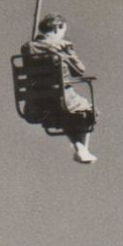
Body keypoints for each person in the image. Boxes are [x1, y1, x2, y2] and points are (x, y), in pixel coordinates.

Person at [24, 14, 97, 164]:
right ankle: (83, 149)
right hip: (62, 98)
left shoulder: (28, 47)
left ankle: (80, 148)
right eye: (63, 30)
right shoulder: (62, 46)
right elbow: (80, 70)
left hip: (37, 103)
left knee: (67, 116)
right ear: (58, 27)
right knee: (89, 112)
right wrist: (68, 53)